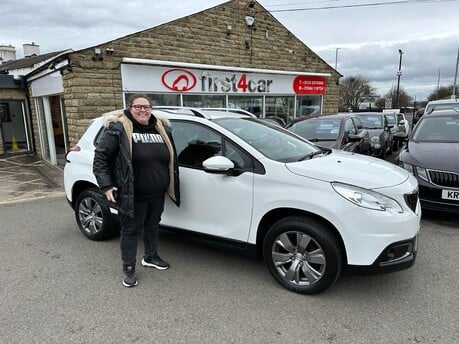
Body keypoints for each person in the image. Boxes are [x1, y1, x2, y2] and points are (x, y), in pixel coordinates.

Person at [93, 94, 180, 287]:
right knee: (131, 230)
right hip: (132, 193)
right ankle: (129, 268)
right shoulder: (118, 129)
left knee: (153, 225)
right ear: (130, 108)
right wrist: (106, 185)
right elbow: (100, 158)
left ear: (151, 108)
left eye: (146, 106)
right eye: (138, 107)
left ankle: (150, 257)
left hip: (157, 192)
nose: (143, 110)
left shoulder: (161, 128)